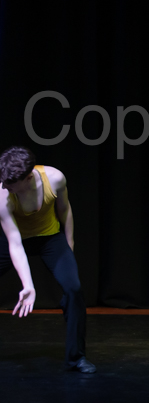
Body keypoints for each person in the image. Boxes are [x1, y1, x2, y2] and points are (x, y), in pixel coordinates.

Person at [0, 146, 94, 373]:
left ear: (28, 177)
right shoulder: (2, 196)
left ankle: (76, 359)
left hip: (50, 238)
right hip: (16, 240)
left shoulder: (55, 179)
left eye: (10, 183)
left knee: (73, 290)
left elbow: (65, 211)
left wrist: (69, 247)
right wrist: (28, 285)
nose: (4, 186)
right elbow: (15, 243)